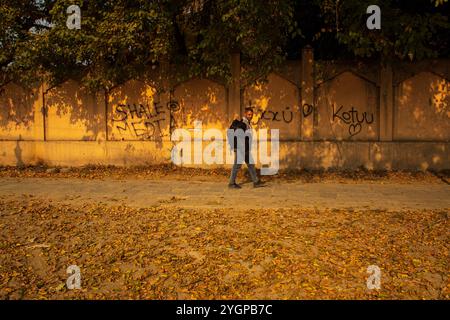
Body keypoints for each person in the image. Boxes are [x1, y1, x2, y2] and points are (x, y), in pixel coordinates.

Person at [228, 107, 265, 189]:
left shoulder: (247, 123)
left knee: (251, 164)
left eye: (251, 114)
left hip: (245, 148)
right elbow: (239, 136)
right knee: (237, 166)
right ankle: (231, 183)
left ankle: (256, 182)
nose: (250, 116)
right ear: (245, 114)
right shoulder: (243, 124)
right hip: (241, 149)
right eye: (248, 114)